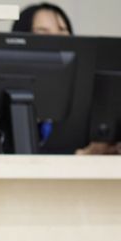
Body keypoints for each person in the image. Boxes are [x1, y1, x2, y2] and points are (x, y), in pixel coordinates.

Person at [10, 3, 121, 155]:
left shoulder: (89, 95)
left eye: (63, 32)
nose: (57, 40)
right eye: (43, 32)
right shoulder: (11, 98)